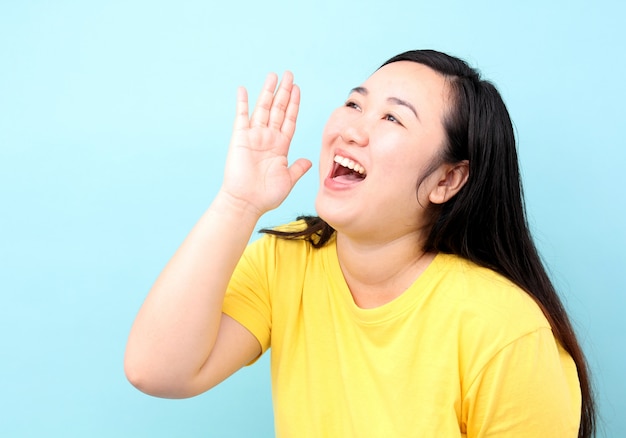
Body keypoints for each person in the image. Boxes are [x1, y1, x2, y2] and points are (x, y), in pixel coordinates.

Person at [124, 49, 596, 437]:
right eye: (354, 104)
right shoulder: (286, 259)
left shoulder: (505, 330)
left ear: (448, 179)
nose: (352, 129)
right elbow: (158, 370)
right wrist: (237, 203)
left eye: (392, 118)